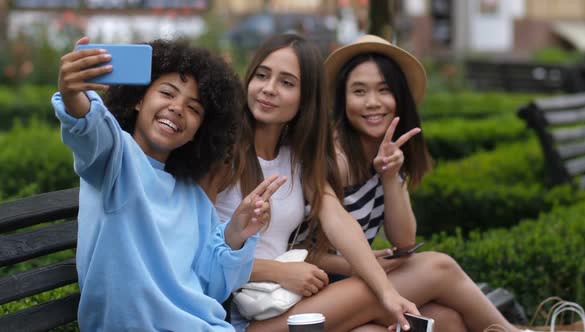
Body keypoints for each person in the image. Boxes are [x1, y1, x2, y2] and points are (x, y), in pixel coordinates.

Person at [52, 36, 286, 331]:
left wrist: (235, 234)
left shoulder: (192, 196)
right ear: (138, 99)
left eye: (194, 108)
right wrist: (72, 94)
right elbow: (88, 128)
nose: (177, 108)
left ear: (199, 131)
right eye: (167, 93)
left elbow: (209, 288)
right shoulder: (114, 158)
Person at [213, 33, 422, 332]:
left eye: (286, 82)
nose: (268, 89)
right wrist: (279, 271)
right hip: (237, 313)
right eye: (262, 75)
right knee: (415, 275)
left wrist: (386, 291)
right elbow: (197, 251)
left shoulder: (297, 156)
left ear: (306, 97)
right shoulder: (222, 151)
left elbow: (336, 217)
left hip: (283, 301)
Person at [322, 34, 527, 332]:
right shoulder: (334, 158)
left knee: (448, 321)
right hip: (321, 291)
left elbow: (404, 241)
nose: (372, 103)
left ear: (399, 98)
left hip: (358, 283)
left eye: (384, 90)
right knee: (439, 266)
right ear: (343, 99)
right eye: (359, 91)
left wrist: (390, 177)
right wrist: (360, 264)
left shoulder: (387, 150)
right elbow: (303, 249)